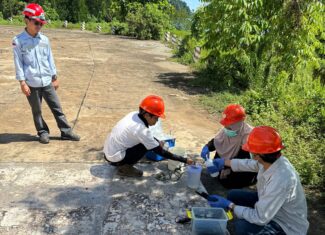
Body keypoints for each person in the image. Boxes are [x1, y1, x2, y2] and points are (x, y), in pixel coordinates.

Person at [206, 126, 309, 235]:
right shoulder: (272, 160)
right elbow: (249, 164)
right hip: (270, 205)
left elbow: (260, 218)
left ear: (258, 155)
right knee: (233, 195)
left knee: (242, 226)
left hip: (285, 224)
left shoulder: (281, 180)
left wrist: (230, 205)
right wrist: (224, 162)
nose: (250, 152)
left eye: (251, 150)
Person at [12, 3, 80, 144]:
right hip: (31, 83)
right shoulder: (18, 41)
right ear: (27, 20)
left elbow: (50, 59)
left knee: (57, 108)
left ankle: (66, 132)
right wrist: (22, 83)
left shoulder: (44, 40)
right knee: (37, 111)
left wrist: (54, 77)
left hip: (47, 81)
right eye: (36, 22)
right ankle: (43, 132)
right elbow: (18, 63)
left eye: (41, 24)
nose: (39, 26)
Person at [103, 95, 194, 177]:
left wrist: (157, 142)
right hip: (114, 159)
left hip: (109, 152)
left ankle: (121, 163)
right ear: (146, 115)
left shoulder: (133, 115)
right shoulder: (141, 130)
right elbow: (161, 152)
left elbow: (145, 136)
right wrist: (185, 160)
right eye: (156, 118)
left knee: (149, 143)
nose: (157, 121)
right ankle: (125, 168)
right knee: (145, 146)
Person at [200, 104, 256, 188]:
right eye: (225, 125)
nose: (226, 128)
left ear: (239, 123)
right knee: (217, 172)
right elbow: (218, 140)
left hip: (241, 162)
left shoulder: (248, 135)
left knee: (226, 182)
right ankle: (222, 169)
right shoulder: (230, 128)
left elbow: (244, 159)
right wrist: (207, 147)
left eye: (229, 126)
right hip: (227, 160)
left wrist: (229, 169)